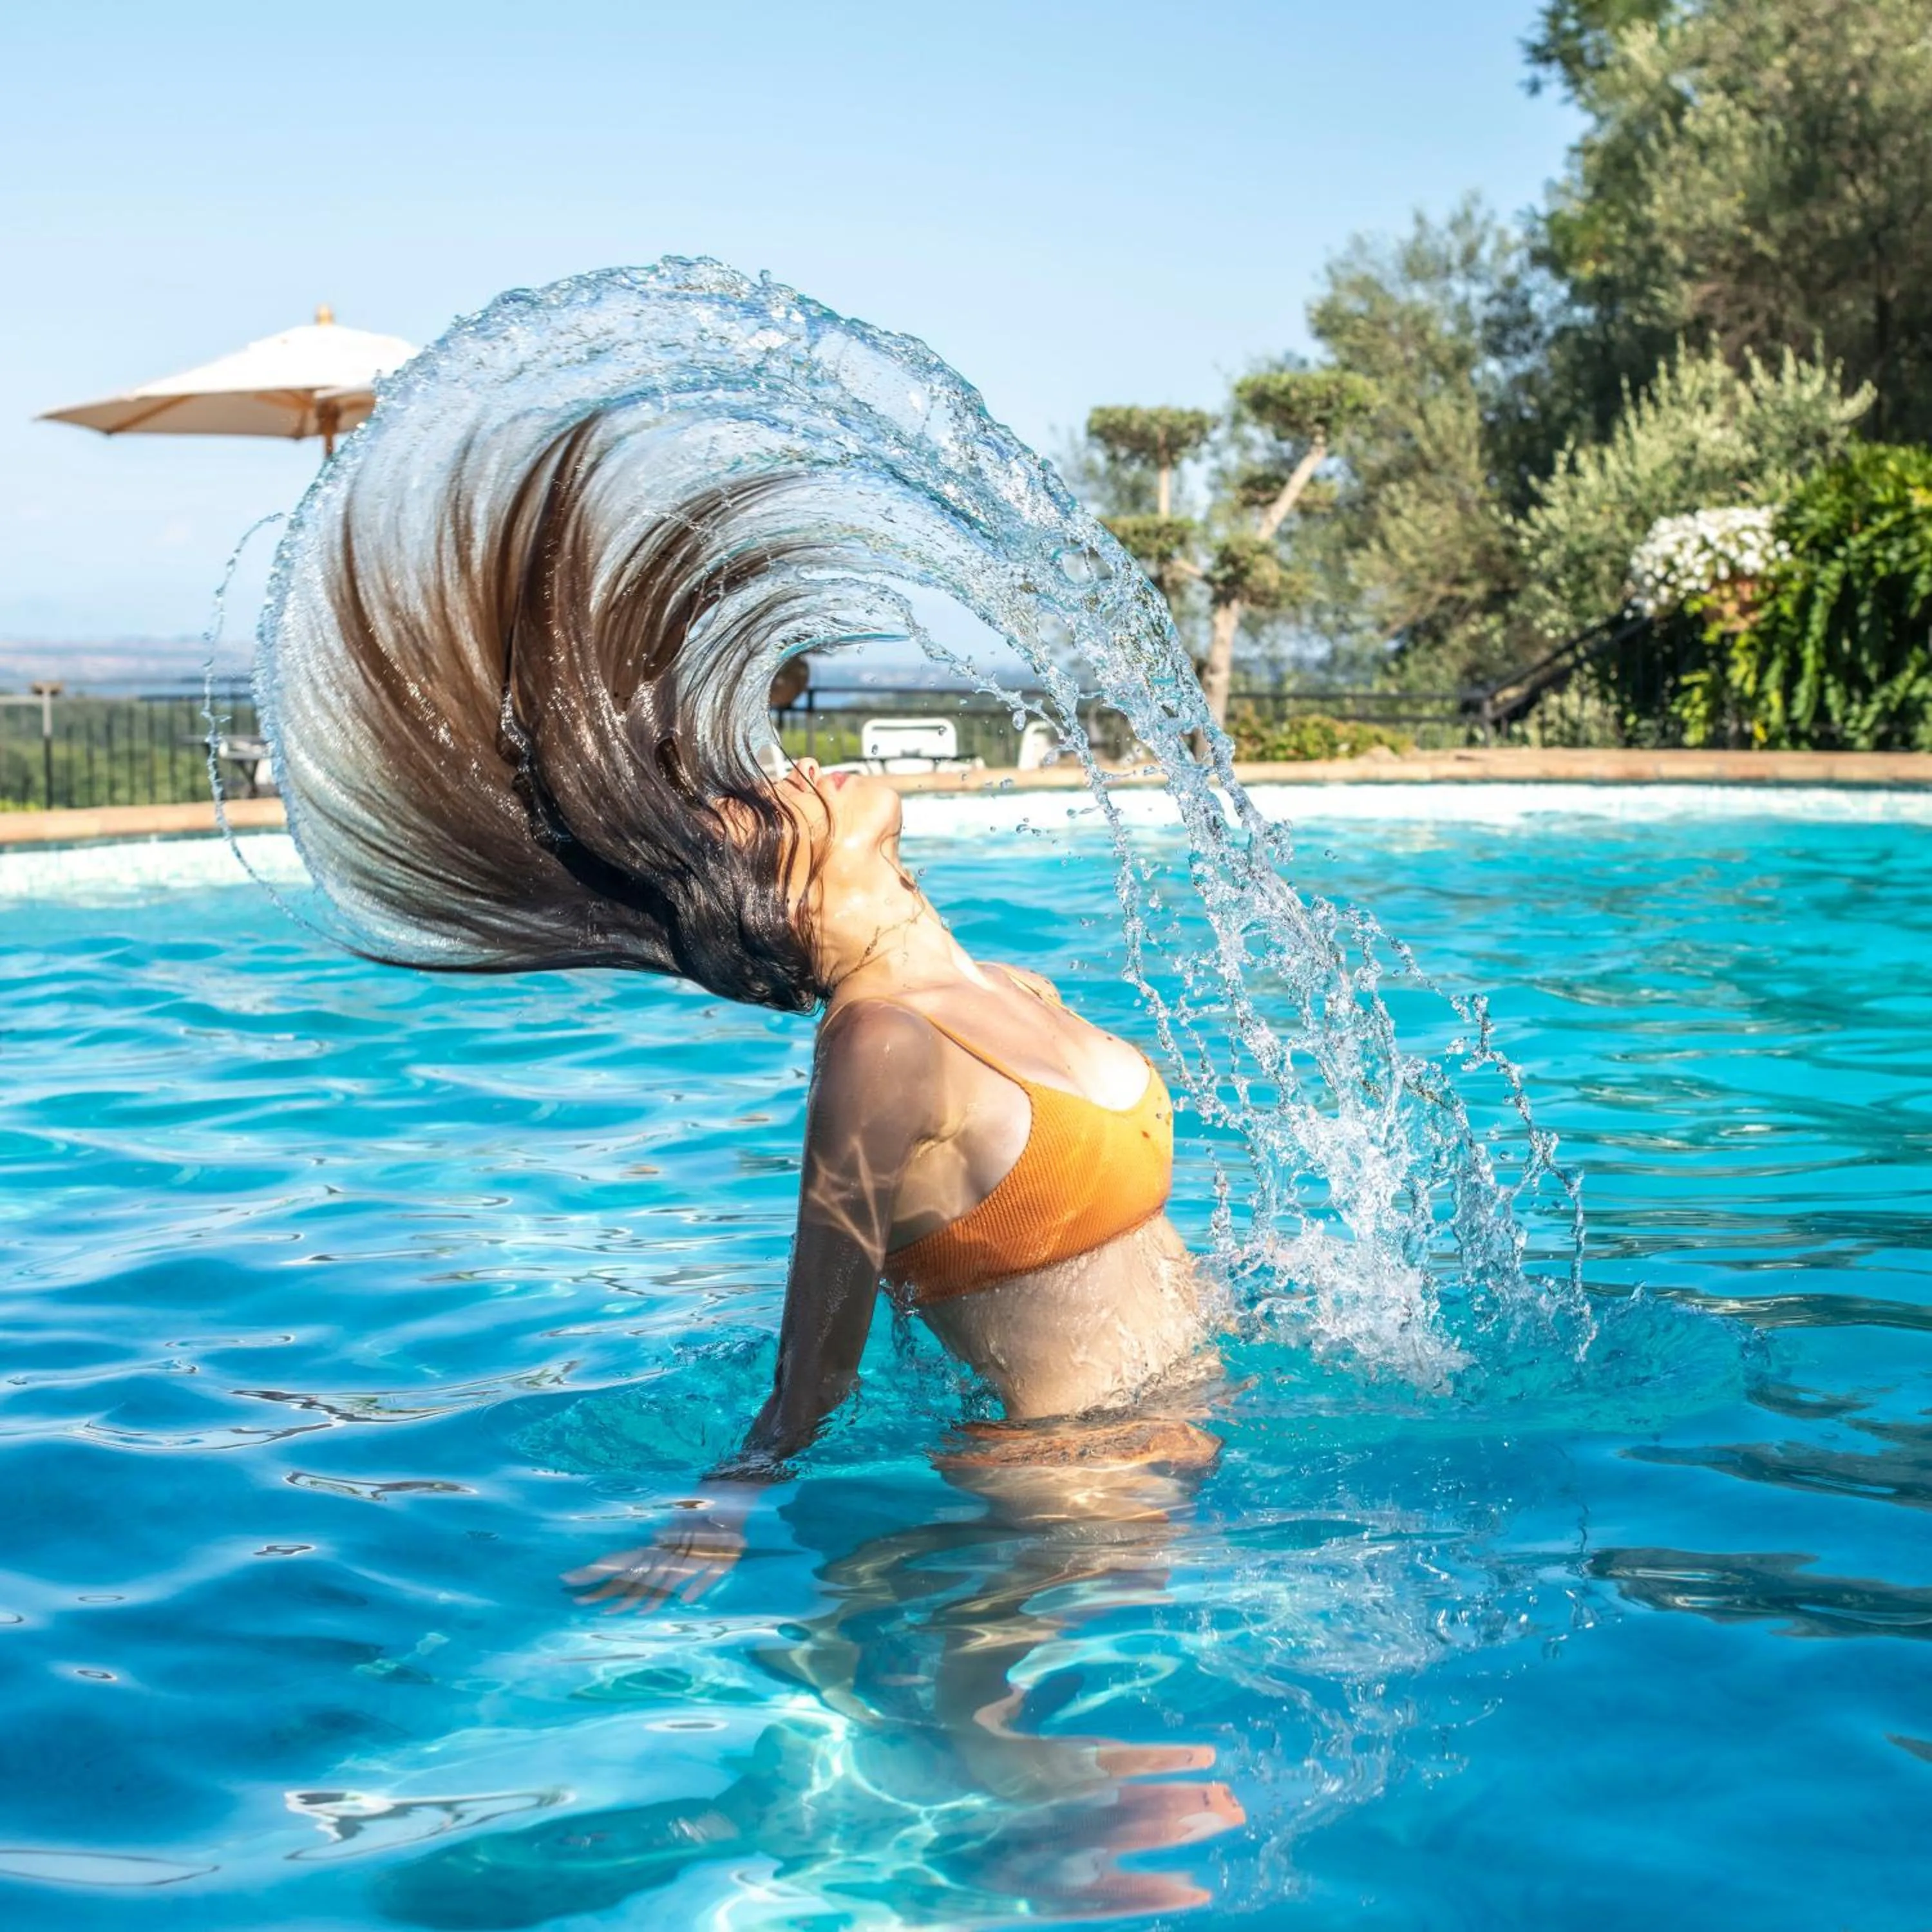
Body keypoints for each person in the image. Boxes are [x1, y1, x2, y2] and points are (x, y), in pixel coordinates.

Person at [265, 412, 1217, 1608]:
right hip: (1074, 1485)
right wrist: (733, 1495)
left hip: (1196, 1424)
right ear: (779, 900)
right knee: (1083, 1787)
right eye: (763, 813)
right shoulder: (881, 1047)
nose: (792, 774)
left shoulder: (1007, 990)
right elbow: (818, 1355)